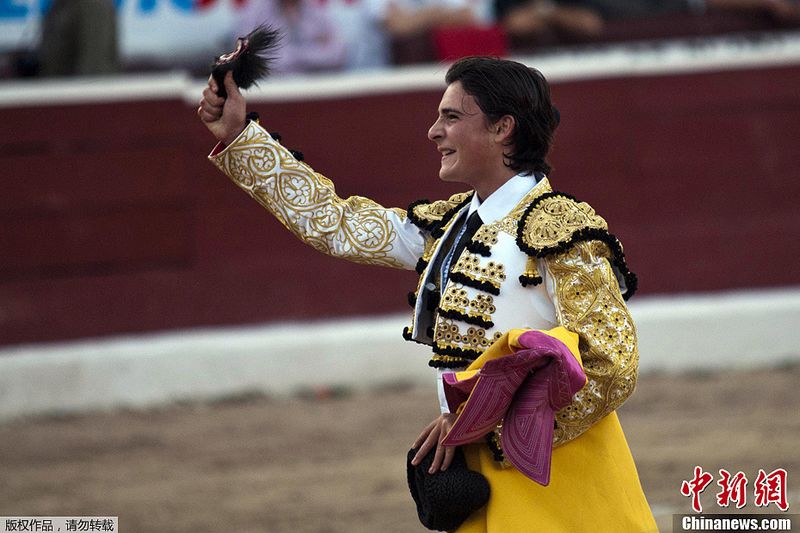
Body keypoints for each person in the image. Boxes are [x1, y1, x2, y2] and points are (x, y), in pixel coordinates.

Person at [197, 57, 657, 531]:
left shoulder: (559, 230)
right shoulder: (449, 224)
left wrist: (493, 428)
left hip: (559, 467)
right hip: (472, 463)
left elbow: (612, 364)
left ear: (503, 128)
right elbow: (336, 224)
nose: (434, 131)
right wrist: (239, 136)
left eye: (452, 117)